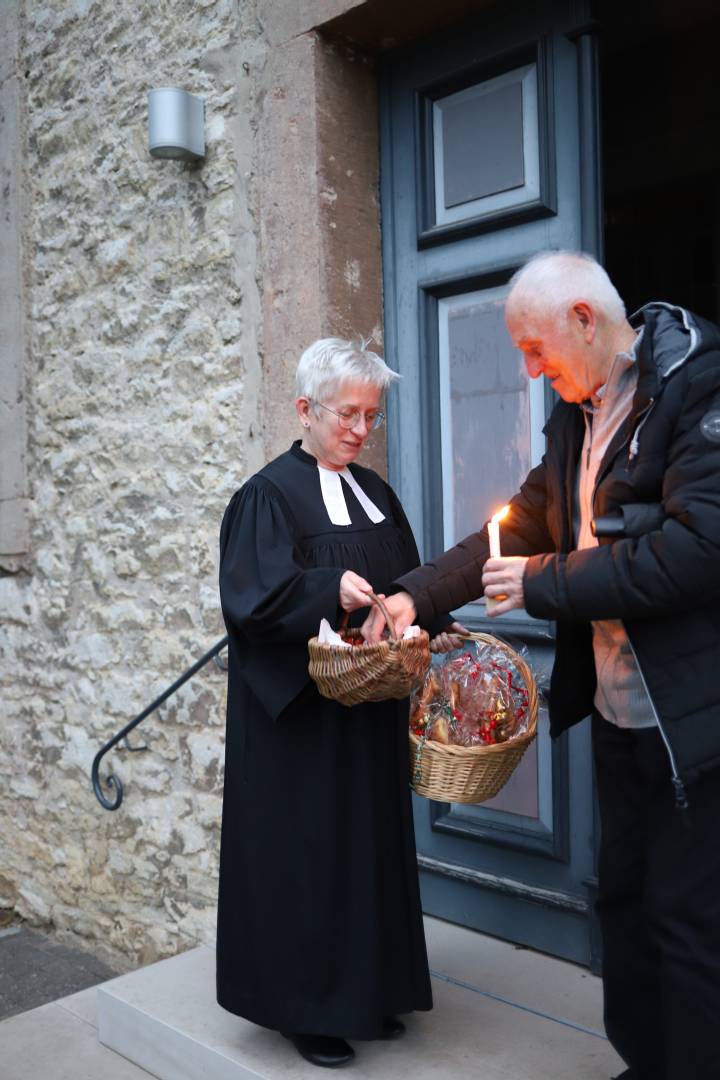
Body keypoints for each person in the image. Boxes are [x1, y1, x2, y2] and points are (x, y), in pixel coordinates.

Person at [362, 252, 720, 1080]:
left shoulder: (697, 386)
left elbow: (699, 552)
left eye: (534, 348)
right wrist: (417, 595)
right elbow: (521, 522)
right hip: (616, 712)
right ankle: (649, 1062)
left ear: (585, 322)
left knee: (691, 919)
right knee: (622, 901)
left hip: (691, 722)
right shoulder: (576, 413)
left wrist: (542, 584)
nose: (528, 369)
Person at [216, 337, 459, 1069]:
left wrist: (432, 623)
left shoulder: (374, 494)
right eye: (346, 414)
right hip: (300, 725)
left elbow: (404, 580)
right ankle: (306, 1009)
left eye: (370, 417)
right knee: (312, 860)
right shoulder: (266, 496)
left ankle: (367, 992)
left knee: (369, 854)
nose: (358, 429)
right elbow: (250, 602)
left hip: (367, 710)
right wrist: (329, 590)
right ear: (304, 409)